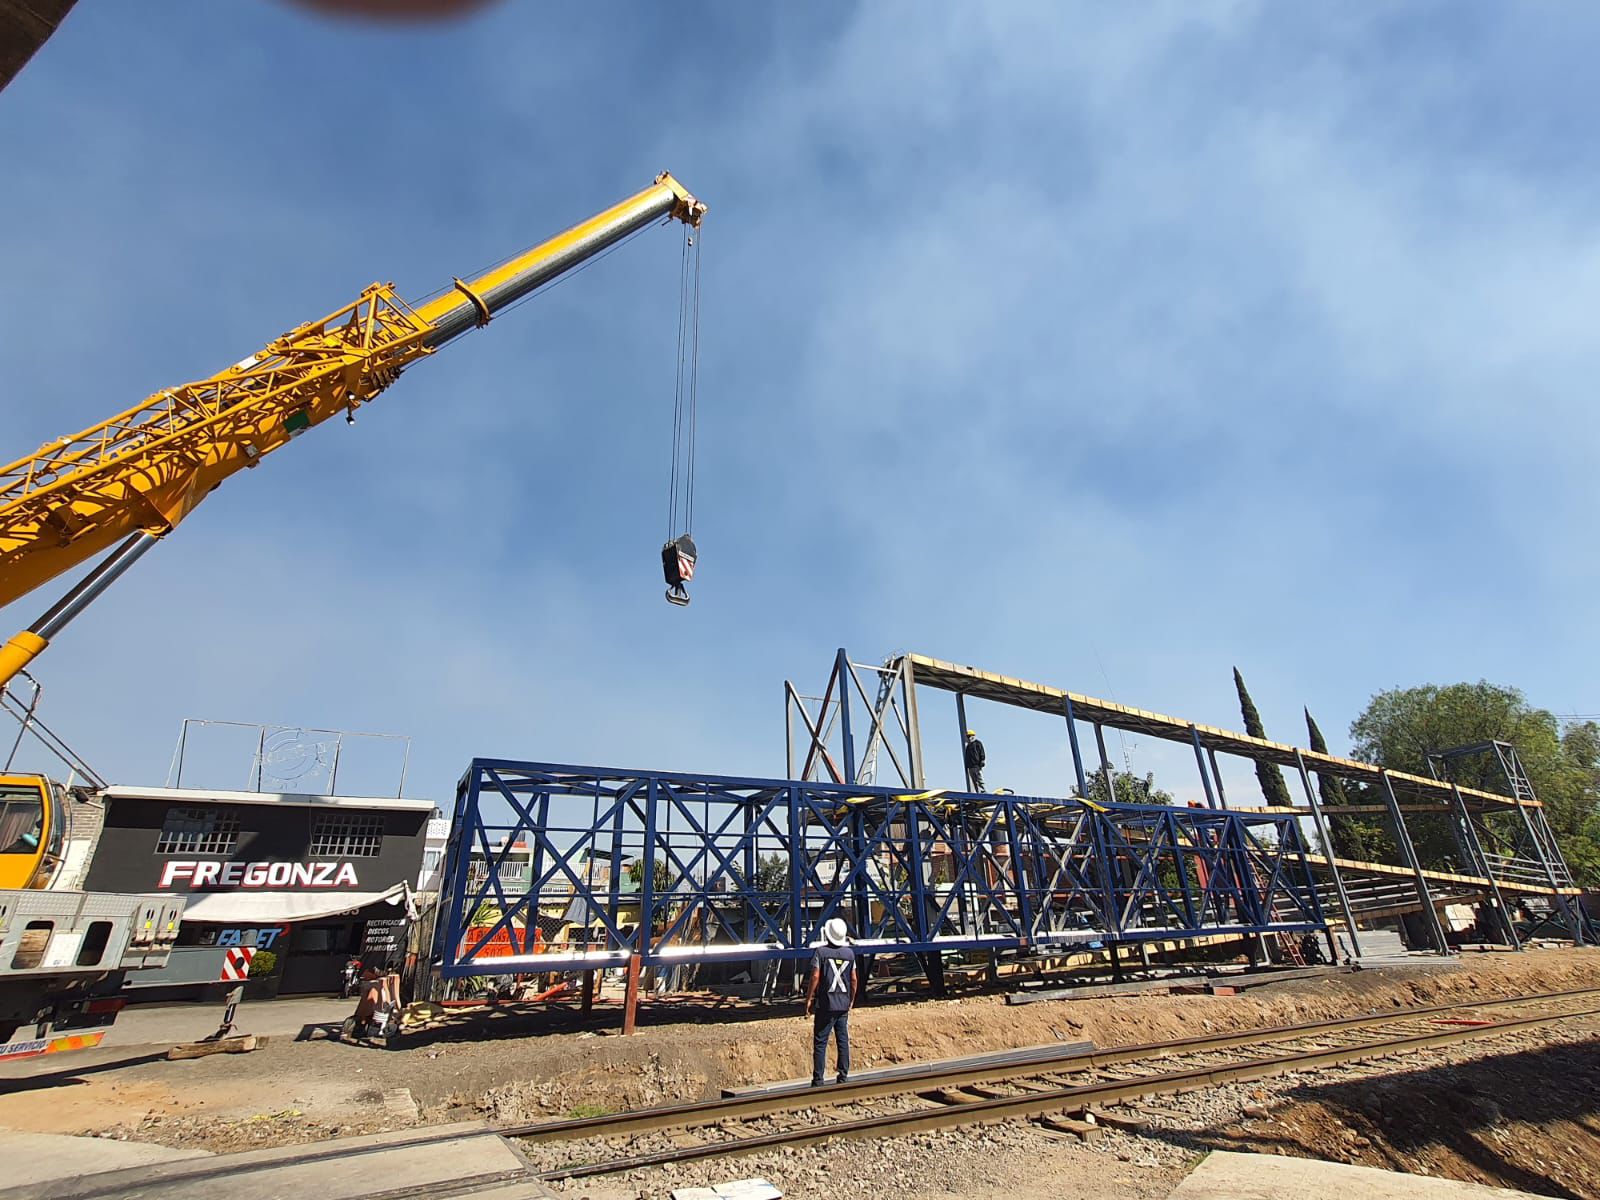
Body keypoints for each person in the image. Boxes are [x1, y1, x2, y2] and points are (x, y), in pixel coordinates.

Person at [804, 917, 855, 1087]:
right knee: (842, 1039)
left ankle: (818, 1079)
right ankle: (843, 1075)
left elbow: (816, 976)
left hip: (826, 1004)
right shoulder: (849, 954)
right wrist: (851, 999)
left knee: (820, 1042)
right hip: (842, 1004)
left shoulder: (821, 952)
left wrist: (809, 998)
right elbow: (854, 979)